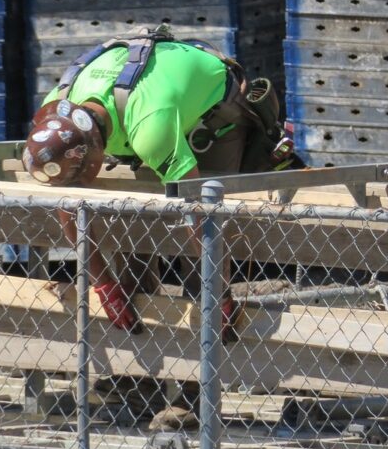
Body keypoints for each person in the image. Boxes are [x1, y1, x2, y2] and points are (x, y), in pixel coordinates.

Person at [21, 24, 299, 333]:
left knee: (196, 238)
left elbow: (200, 212)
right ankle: (142, 371)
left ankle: (203, 359)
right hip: (150, 104)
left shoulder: (150, 128)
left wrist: (218, 294)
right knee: (135, 226)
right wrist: (104, 285)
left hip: (214, 117)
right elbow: (68, 202)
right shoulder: (59, 106)